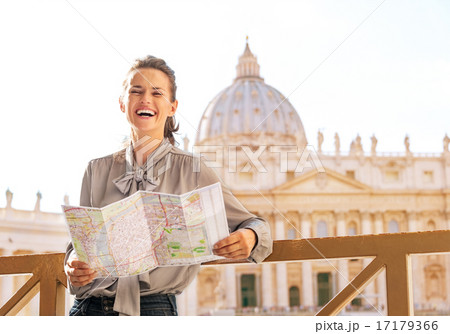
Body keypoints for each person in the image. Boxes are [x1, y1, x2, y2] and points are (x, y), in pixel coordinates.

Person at [64, 55, 273, 316]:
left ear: (173, 107)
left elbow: (255, 224)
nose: (145, 99)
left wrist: (249, 238)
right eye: (136, 91)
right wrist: (72, 263)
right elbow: (78, 243)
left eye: (157, 93)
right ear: (122, 104)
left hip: (153, 307)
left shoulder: (193, 170)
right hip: (87, 308)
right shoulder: (95, 170)